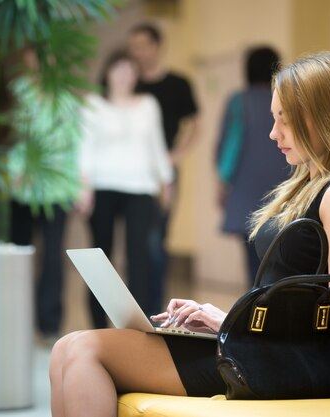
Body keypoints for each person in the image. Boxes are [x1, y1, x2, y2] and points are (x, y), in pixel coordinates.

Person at [49, 51, 330, 417]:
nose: (274, 133)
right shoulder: (310, 184)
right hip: (267, 347)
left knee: (86, 350)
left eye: (284, 120)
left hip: (287, 360)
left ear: (325, 119)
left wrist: (233, 321)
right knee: (64, 350)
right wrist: (228, 319)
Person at [77, 49, 174, 329]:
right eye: (119, 69)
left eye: (131, 70)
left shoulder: (148, 104)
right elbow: (84, 148)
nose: (124, 76)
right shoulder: (93, 104)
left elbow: (157, 145)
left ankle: (136, 328)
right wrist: (83, 188)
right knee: (100, 259)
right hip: (102, 186)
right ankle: (97, 326)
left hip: (140, 188)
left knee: (139, 258)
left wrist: (166, 180)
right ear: (107, 72)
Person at [7, 49, 81, 343]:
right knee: (19, 253)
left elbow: (75, 142)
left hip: (57, 188)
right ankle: (15, 319)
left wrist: (76, 187)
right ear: (26, 58)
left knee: (53, 256)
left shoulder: (68, 97)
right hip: (22, 186)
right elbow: (12, 136)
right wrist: (14, 168)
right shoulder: (18, 92)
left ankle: (49, 324)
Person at [128, 23, 200, 316]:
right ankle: (128, 308)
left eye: (143, 44)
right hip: (125, 174)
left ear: (158, 46)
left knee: (155, 240)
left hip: (161, 174)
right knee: (131, 243)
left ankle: (153, 310)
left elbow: (195, 124)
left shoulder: (177, 84)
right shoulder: (127, 82)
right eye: (133, 46)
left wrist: (175, 157)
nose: (138, 52)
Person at [215, 46, 291, 286]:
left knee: (252, 254)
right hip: (283, 184)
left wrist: (222, 181)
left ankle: (256, 302)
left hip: (247, 187)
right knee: (280, 251)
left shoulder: (239, 101)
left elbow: (231, 145)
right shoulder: (286, 98)